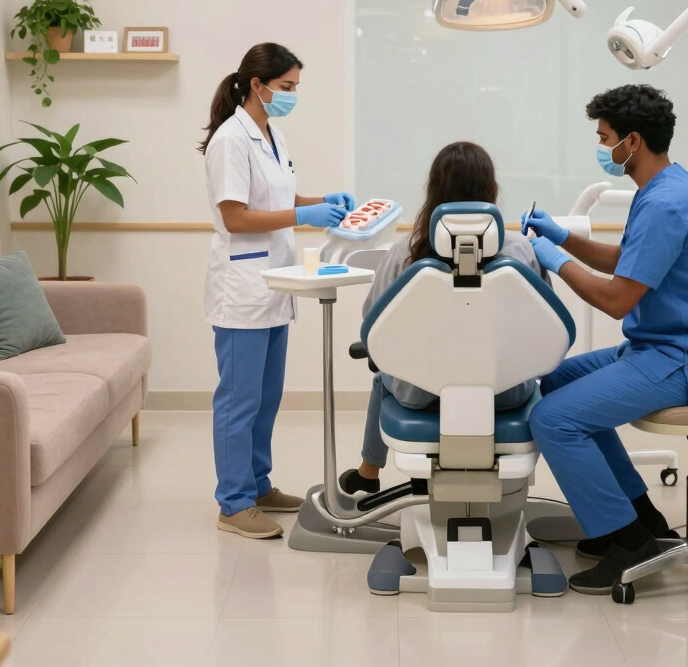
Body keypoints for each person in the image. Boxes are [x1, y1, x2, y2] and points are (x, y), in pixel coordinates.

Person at [523, 84, 688, 595]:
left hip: (684, 359)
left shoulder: (667, 204)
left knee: (551, 419)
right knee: (550, 383)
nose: (602, 147)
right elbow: (628, 260)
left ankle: (627, 543)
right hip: (659, 346)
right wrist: (563, 237)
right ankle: (642, 521)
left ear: (633, 141)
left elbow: (618, 298)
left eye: (605, 138)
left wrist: (560, 263)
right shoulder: (665, 186)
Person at [201, 42, 355, 540]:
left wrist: (322, 202)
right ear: (257, 84)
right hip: (242, 288)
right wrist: (302, 215)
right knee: (238, 400)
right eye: (285, 88)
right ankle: (234, 502)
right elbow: (235, 215)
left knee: (266, 397)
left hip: (275, 285)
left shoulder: (272, 135)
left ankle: (259, 485)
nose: (291, 96)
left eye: (295, 88)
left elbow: (283, 197)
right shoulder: (231, 139)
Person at [339, 141, 541, 497]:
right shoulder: (518, 249)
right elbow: (541, 325)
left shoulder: (407, 250)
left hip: (421, 393)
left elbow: (373, 322)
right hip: (505, 393)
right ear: (490, 190)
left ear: (434, 190)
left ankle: (368, 471)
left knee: (383, 377)